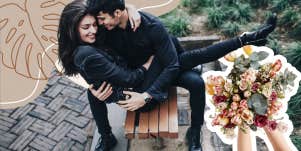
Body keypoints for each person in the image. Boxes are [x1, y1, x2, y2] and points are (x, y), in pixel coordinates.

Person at [58, 1, 277, 151]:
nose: (97, 27)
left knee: (194, 80)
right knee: (93, 93)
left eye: (99, 22)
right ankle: (246, 39)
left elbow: (170, 66)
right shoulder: (103, 28)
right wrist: (96, 85)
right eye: (92, 24)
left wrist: (147, 94)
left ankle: (194, 132)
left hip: (156, 72)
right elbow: (91, 19)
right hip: (139, 77)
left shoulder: (148, 26)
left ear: (117, 13)